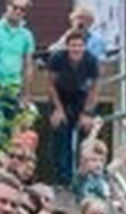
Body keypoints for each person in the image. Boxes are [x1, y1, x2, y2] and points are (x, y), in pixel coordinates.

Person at [42, 29, 99, 187]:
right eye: (73, 45)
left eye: (80, 45)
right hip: (61, 96)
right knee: (61, 132)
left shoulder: (91, 60)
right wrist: (58, 109)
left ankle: (83, 176)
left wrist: (87, 113)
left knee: (86, 133)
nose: (76, 49)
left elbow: (94, 89)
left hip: (81, 97)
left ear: (84, 47)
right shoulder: (57, 58)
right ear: (67, 46)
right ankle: (63, 180)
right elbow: (50, 85)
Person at [0, 0, 36, 120]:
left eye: (23, 9)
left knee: (13, 130)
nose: (18, 11)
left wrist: (26, 94)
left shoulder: (27, 35)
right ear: (7, 6)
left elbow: (28, 66)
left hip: (15, 87)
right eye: (15, 7)